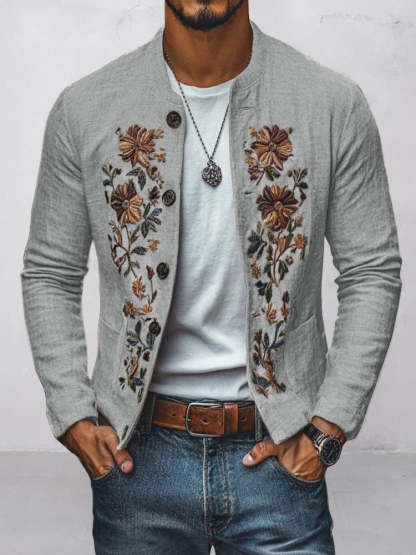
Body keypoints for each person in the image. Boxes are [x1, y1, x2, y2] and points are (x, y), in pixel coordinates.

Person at [21, 1, 402, 553]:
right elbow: (50, 271)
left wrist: (329, 427)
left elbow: (371, 269)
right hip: (135, 461)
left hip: (280, 458)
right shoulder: (85, 108)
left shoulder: (330, 103)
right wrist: (73, 414)